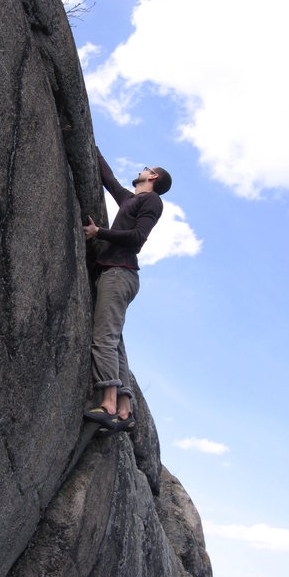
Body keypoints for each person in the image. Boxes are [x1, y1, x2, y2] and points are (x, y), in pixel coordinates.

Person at [83, 147, 172, 436]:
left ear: (153, 176)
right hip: (118, 273)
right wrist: (93, 149)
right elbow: (110, 181)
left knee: (103, 339)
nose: (141, 170)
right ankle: (124, 411)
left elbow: (136, 238)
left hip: (121, 273)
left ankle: (107, 405)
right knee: (115, 341)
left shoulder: (153, 201)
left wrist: (100, 233)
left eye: (145, 169)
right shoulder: (132, 200)